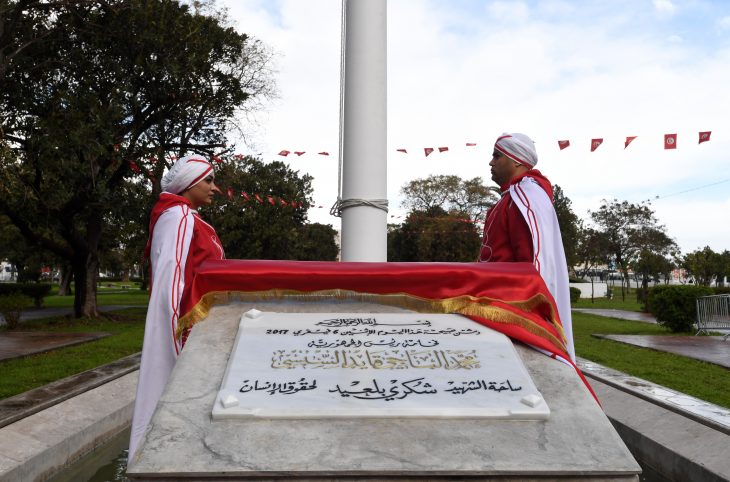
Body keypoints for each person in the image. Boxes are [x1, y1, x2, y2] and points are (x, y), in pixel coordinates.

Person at [128, 154, 225, 462]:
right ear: (189, 184)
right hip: (189, 328)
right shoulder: (180, 216)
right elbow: (172, 276)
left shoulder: (180, 215)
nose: (215, 188)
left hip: (196, 325)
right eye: (208, 180)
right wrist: (174, 334)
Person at [478, 133, 574, 362]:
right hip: (496, 306)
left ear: (516, 160)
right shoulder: (511, 197)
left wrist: (534, 320)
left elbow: (533, 264)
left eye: (496, 156)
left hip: (512, 312)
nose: (491, 162)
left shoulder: (526, 196)